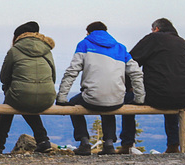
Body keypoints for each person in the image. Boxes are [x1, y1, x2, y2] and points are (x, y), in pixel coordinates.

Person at [57, 21, 145, 155]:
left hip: (91, 98)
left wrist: (62, 97)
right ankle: (109, 143)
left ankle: (84, 141)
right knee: (110, 103)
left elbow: (72, 71)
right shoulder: (121, 48)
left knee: (74, 104)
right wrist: (139, 98)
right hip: (117, 98)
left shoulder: (84, 44)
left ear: (88, 32)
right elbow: (136, 73)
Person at [120, 18, 185, 154]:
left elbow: (131, 62)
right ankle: (173, 145)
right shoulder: (184, 44)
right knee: (170, 93)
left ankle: (127, 144)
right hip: (184, 97)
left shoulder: (153, 39)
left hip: (157, 96)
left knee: (126, 99)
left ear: (156, 29)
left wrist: (129, 86)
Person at [0, 21, 56, 154]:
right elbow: (53, 76)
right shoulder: (47, 50)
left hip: (21, 97)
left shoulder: (14, 51)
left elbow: (3, 77)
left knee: (16, 100)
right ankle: (43, 140)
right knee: (25, 99)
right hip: (47, 97)